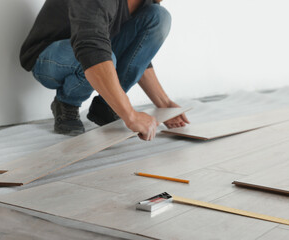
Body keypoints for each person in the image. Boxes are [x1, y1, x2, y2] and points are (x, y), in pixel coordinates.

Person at [20, 0, 189, 140]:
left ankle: (107, 106)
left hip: (91, 50)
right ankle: (67, 104)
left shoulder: (145, 2)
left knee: (158, 17)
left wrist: (164, 104)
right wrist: (129, 114)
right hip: (48, 58)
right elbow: (91, 51)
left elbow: (137, 54)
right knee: (102, 56)